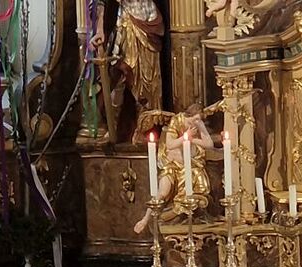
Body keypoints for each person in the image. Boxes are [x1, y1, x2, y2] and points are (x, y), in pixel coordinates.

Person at [133, 105, 214, 234]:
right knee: (163, 191)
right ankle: (145, 219)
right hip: (172, 165)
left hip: (190, 166)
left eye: (198, 120)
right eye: (192, 120)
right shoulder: (177, 120)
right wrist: (185, 137)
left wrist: (196, 135)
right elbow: (170, 145)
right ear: (187, 116)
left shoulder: (197, 124)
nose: (194, 123)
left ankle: (186, 216)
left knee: (199, 185)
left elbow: (209, 144)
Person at [91, 0, 164, 140]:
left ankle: (145, 128)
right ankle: (113, 127)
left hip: (145, 21)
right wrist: (100, 29)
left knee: (146, 82)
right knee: (118, 75)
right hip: (123, 24)